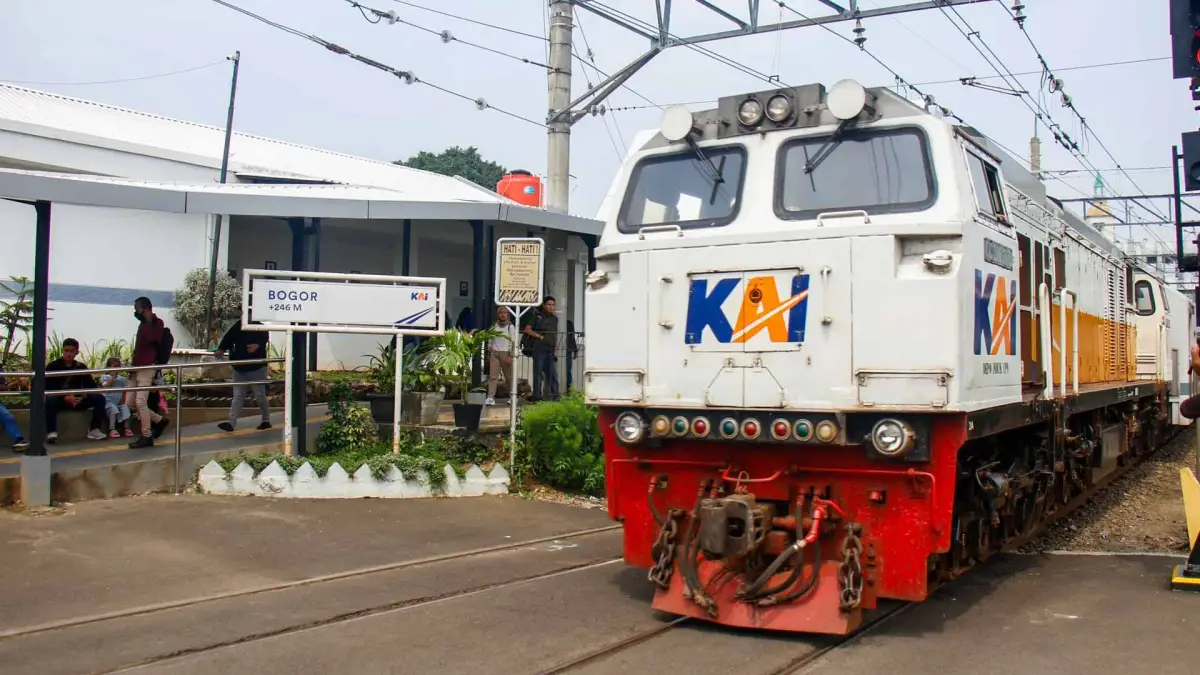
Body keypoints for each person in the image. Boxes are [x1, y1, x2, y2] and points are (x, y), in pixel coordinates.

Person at [214, 318, 272, 432]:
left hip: (256, 367)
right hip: (239, 367)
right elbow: (228, 338)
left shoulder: (260, 327)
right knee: (238, 396)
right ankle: (231, 423)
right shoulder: (238, 325)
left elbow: (264, 339)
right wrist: (221, 348)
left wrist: (257, 346)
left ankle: (266, 420)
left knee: (260, 395)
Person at [45, 337, 107, 443]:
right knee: (50, 400)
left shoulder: (81, 367)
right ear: (63, 351)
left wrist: (83, 394)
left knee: (99, 399)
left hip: (78, 399)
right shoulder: (53, 366)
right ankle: (51, 431)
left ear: (76, 352)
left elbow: (91, 386)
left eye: (71, 351)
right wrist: (64, 396)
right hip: (61, 399)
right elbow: (48, 386)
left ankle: (94, 429)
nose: (68, 354)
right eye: (66, 351)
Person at [127, 297, 170, 448]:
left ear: (146, 309)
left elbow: (153, 338)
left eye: (137, 308)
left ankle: (147, 435)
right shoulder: (142, 324)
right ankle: (159, 420)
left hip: (147, 367)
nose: (135, 311)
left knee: (140, 401)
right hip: (136, 367)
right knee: (130, 403)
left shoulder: (156, 323)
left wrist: (148, 321)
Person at [522, 296, 559, 402]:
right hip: (539, 349)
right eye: (549, 305)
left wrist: (555, 347)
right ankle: (537, 396)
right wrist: (539, 336)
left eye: (553, 305)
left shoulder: (555, 319)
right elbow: (527, 329)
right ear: (544, 305)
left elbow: (554, 334)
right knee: (538, 373)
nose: (551, 307)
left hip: (550, 349)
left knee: (552, 374)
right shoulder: (537, 317)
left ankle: (555, 396)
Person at [485, 306, 517, 406]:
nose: (503, 315)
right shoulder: (494, 326)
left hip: (506, 353)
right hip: (495, 353)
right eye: (501, 313)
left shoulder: (510, 326)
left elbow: (513, 341)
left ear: (507, 315)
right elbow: (490, 340)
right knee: (493, 376)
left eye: (505, 313)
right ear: (498, 314)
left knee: (509, 377)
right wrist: (489, 352)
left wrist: (511, 355)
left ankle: (513, 397)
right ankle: (490, 397)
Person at [99, 357, 133, 438]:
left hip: (119, 401)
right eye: (114, 366)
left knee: (126, 409)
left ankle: (127, 428)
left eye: (118, 366)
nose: (116, 368)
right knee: (113, 409)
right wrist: (112, 378)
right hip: (108, 402)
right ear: (109, 367)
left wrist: (123, 401)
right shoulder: (105, 377)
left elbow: (125, 391)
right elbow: (105, 386)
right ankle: (112, 429)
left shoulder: (122, 379)